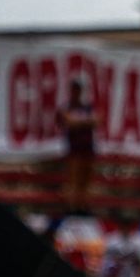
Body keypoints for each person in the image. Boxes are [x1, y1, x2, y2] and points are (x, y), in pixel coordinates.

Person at [55, 80, 97, 214]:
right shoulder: (67, 106)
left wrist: (79, 122)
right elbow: (69, 122)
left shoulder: (86, 106)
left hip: (88, 148)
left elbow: (96, 120)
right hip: (74, 149)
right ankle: (71, 207)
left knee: (85, 181)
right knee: (73, 179)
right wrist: (85, 121)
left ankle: (83, 207)